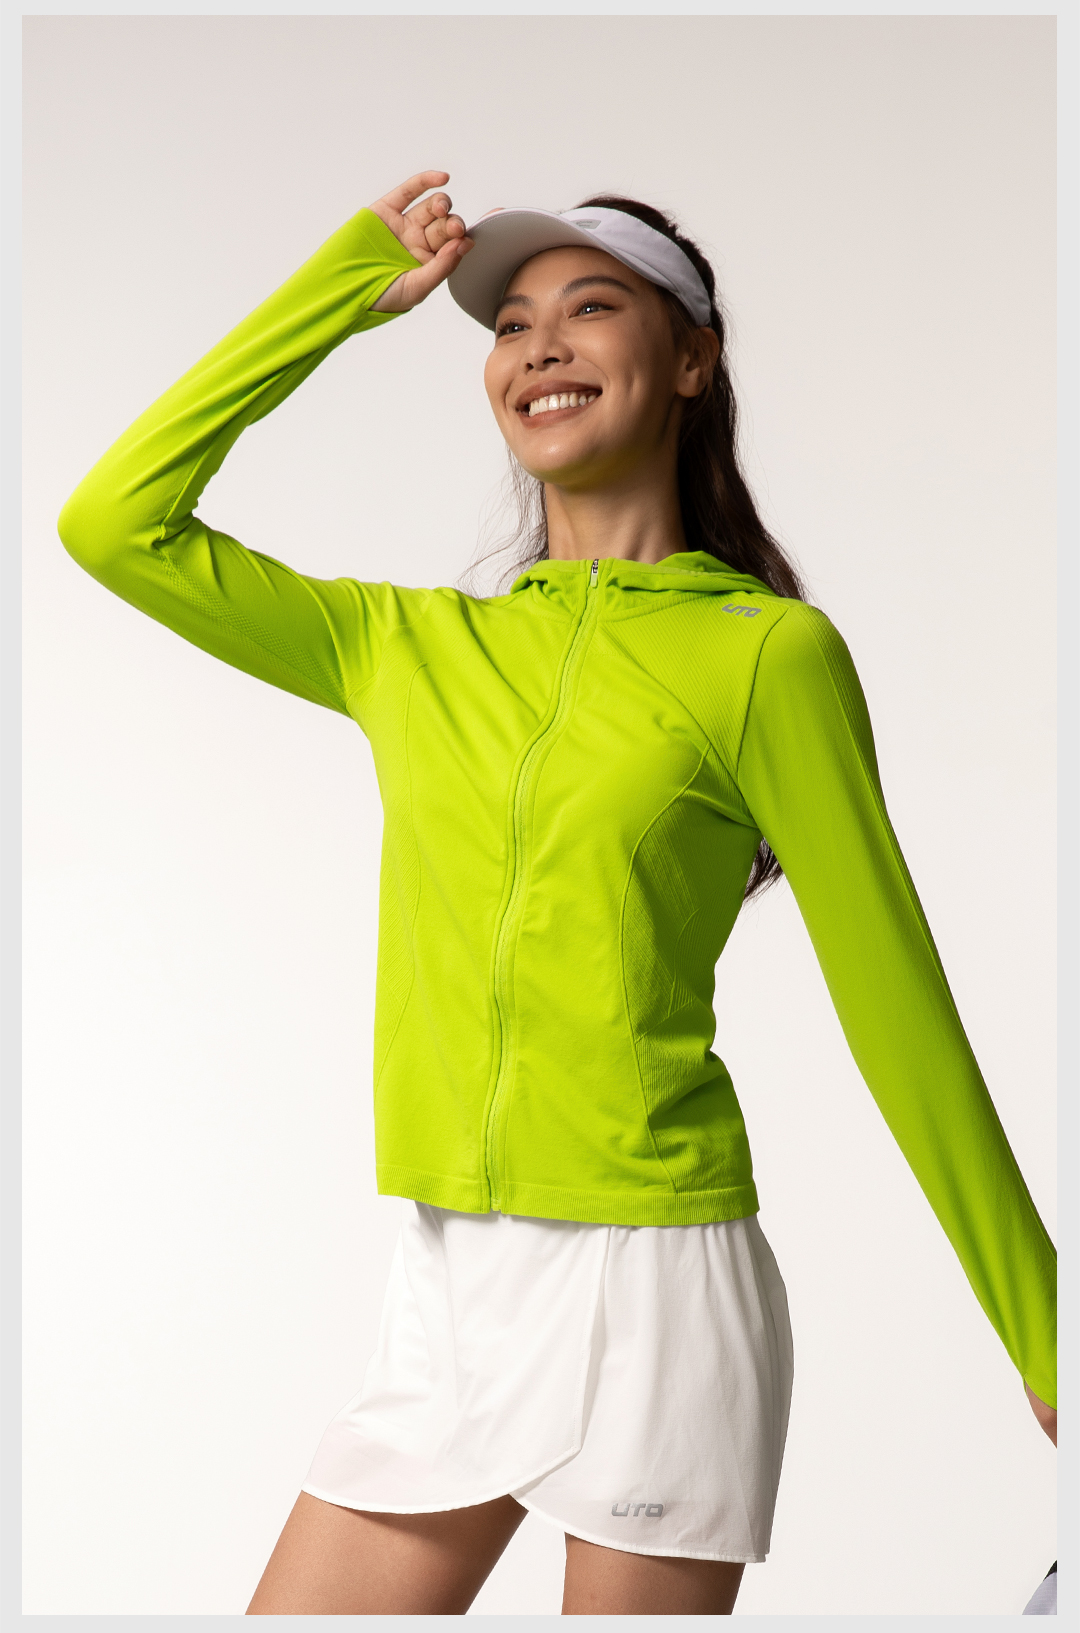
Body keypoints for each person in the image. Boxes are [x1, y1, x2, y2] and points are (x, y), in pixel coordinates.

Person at [57, 171, 1057, 1617]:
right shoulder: (407, 648)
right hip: (450, 1288)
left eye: (592, 308)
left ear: (692, 362)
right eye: (511, 324)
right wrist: (341, 295)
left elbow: (894, 998)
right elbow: (114, 522)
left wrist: (1044, 1324)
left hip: (655, 1285)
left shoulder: (766, 656)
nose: (540, 347)